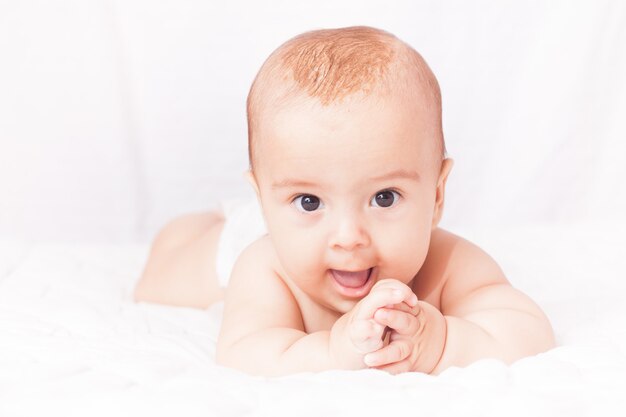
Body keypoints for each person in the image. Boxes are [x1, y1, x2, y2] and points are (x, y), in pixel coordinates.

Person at [133, 26, 555, 376]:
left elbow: (527, 329)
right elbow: (245, 351)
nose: (349, 237)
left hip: (290, 226)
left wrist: (442, 341)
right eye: (310, 201)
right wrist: (333, 353)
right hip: (248, 237)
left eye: (384, 198)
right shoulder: (266, 269)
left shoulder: (449, 264)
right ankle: (213, 221)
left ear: (438, 195)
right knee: (160, 280)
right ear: (264, 202)